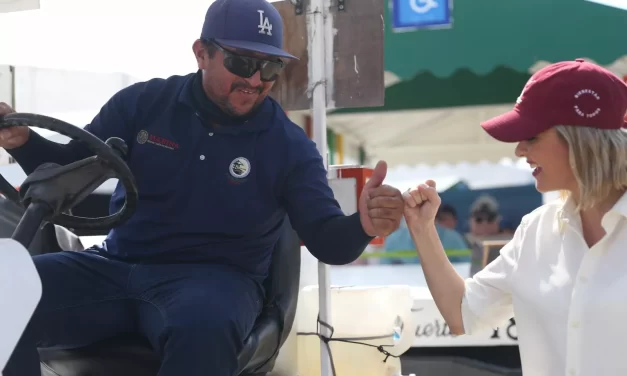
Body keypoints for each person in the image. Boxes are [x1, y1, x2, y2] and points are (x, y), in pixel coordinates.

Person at [0, 0, 405, 375]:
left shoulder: (290, 147)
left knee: (204, 324)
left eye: (270, 68)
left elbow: (328, 241)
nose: (255, 80)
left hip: (215, 280)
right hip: (117, 266)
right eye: (241, 62)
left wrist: (364, 225)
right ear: (201, 53)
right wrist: (25, 142)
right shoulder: (142, 105)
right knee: (6, 290)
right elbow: (67, 174)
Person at [402, 59, 627, 376]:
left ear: (581, 139)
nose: (520, 149)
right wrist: (422, 228)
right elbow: (463, 313)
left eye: (532, 136)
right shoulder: (535, 230)